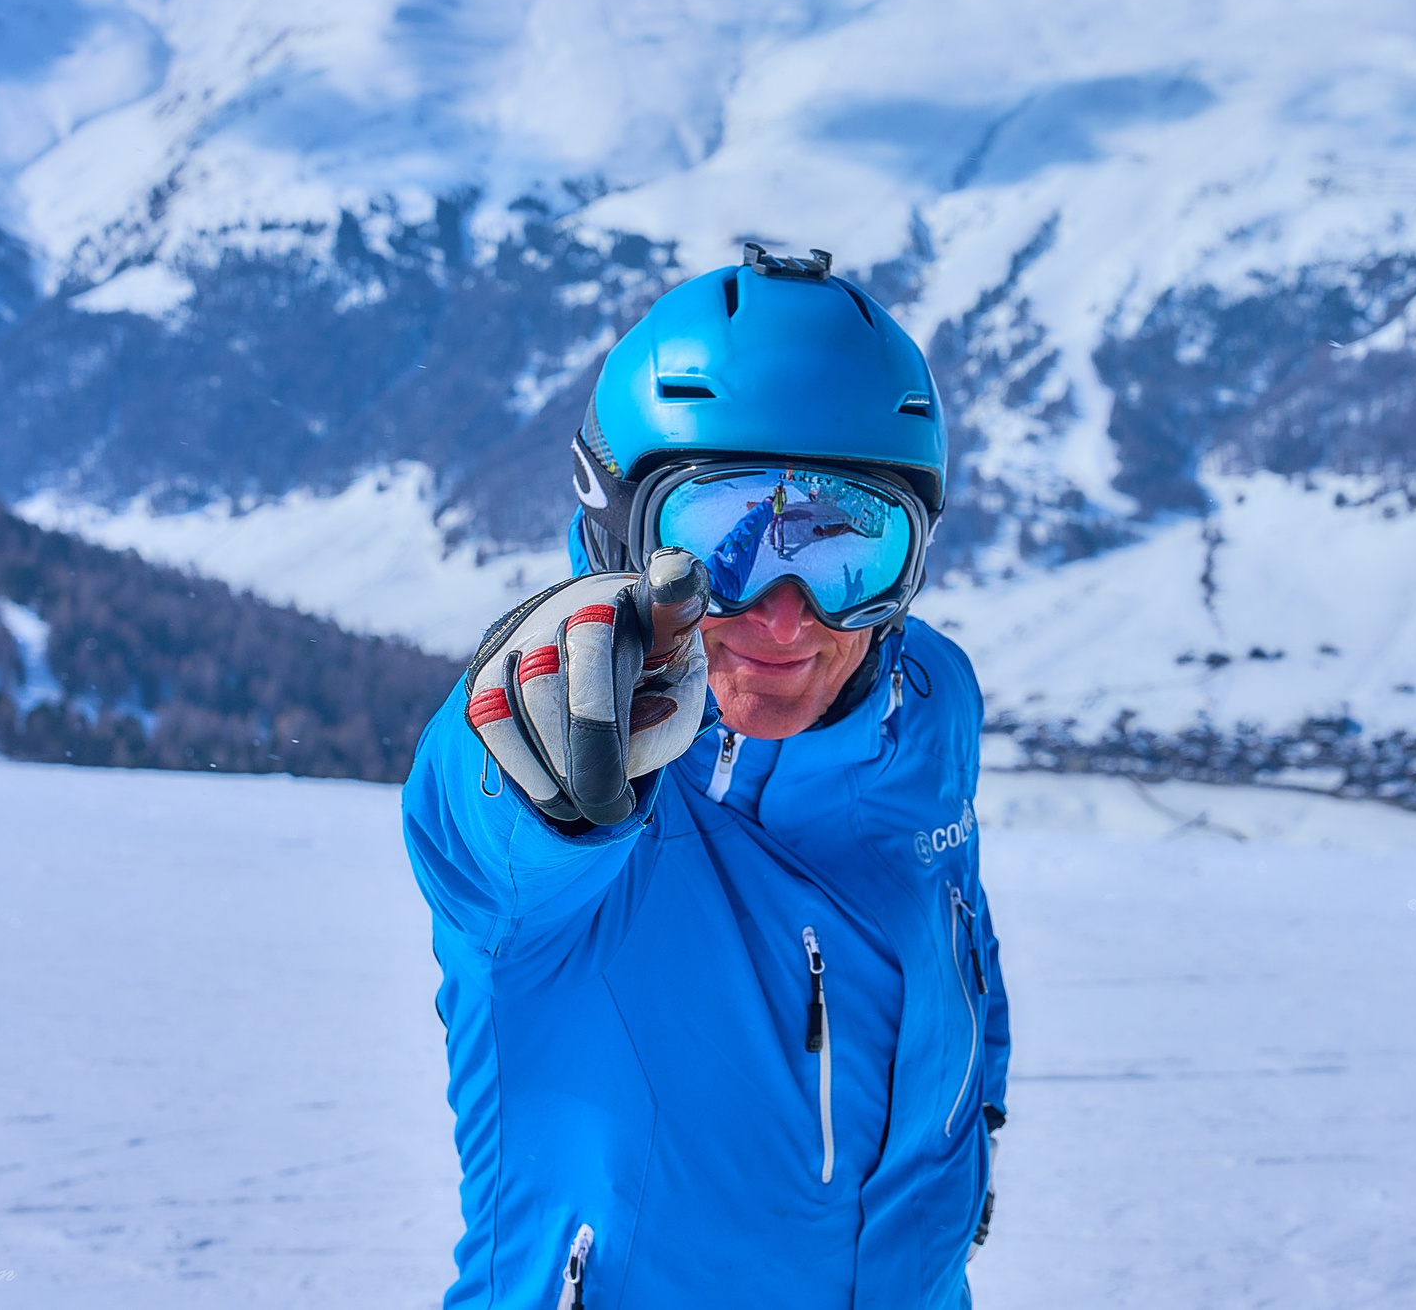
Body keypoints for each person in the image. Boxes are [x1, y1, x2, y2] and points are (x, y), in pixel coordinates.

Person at [402, 245, 1010, 1309]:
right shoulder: (588, 770)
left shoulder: (926, 707)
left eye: (844, 549)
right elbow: (484, 836)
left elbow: (953, 930)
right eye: (723, 540)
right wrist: (535, 758)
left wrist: (972, 1118)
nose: (785, 616)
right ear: (615, 526)